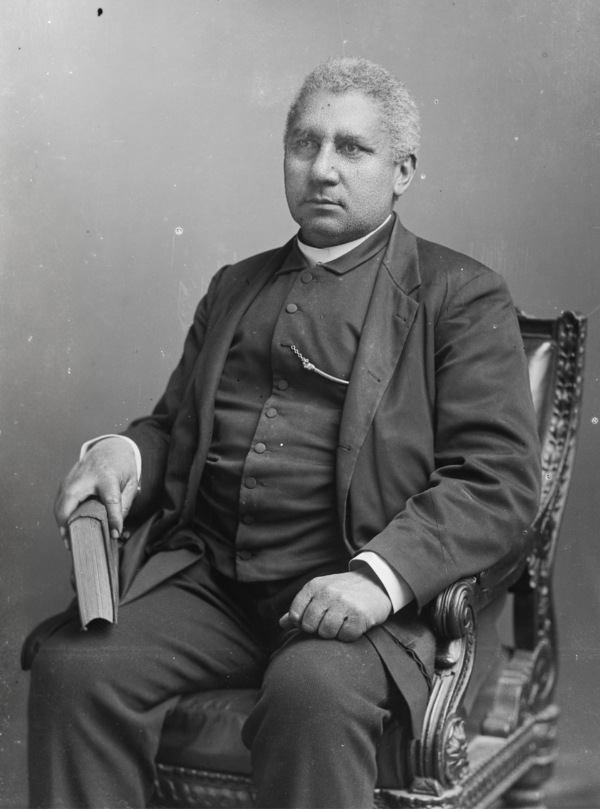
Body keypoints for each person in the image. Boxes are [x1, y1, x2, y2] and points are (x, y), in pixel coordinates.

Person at [26, 57, 541, 809]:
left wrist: (376, 578)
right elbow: (176, 428)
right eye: (305, 144)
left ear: (402, 171)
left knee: (311, 693)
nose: (322, 169)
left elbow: (496, 481)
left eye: (352, 149)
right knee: (76, 668)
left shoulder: (459, 296)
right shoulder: (235, 285)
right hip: (214, 586)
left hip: (362, 597)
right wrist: (124, 450)